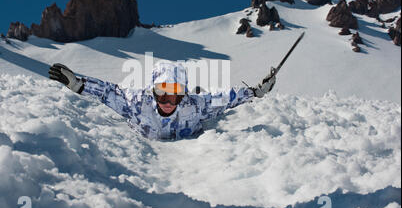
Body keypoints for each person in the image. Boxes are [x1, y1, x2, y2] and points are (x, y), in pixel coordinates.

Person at [48, 61, 276, 140]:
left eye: (175, 93)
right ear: (152, 91)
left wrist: (257, 91)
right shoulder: (137, 103)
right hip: (144, 134)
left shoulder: (195, 106)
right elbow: (109, 92)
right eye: (161, 92)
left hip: (191, 128)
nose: (168, 99)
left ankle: (198, 89)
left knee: (209, 100)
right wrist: (79, 84)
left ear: (183, 95)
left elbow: (227, 99)